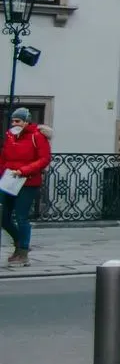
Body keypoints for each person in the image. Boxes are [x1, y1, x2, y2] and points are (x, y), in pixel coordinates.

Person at [1, 108, 50, 268]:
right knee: (3, 217)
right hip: (9, 181)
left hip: (27, 182)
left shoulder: (37, 136)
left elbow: (44, 159)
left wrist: (23, 171)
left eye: (18, 121)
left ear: (26, 122)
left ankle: (23, 253)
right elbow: (4, 157)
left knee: (21, 217)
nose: (14, 124)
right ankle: (19, 241)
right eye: (13, 121)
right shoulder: (10, 136)